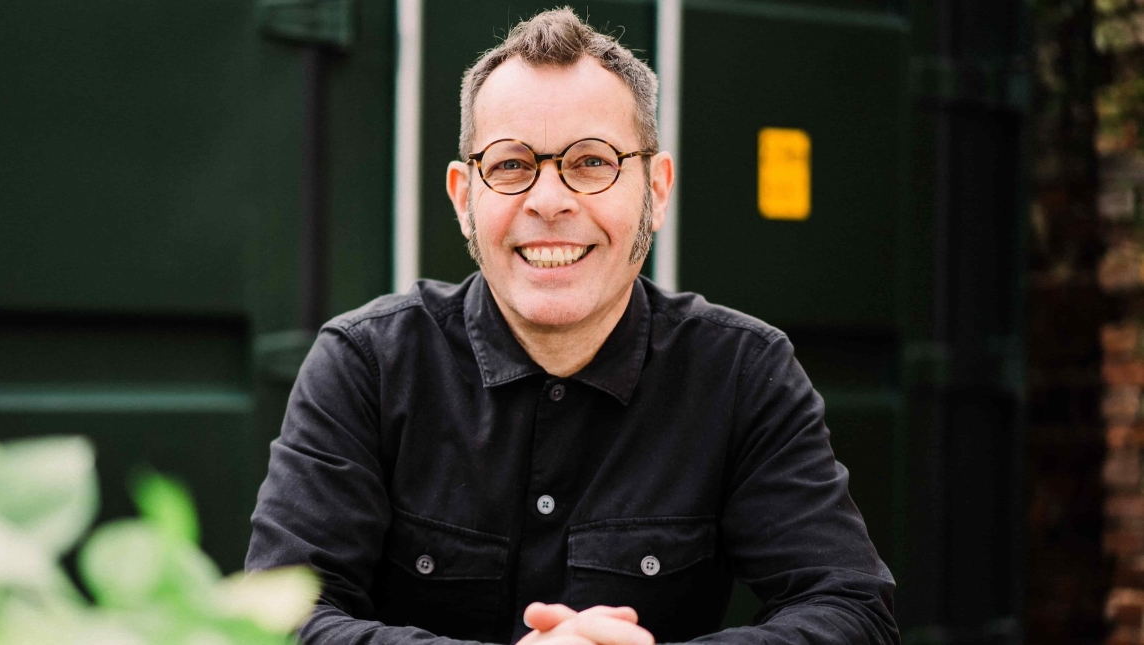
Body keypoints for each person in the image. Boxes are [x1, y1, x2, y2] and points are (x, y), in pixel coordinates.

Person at [247, 8, 898, 645]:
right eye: (509, 164)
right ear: (463, 199)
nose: (549, 199)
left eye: (591, 162)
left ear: (658, 188)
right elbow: (276, 619)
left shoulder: (742, 373)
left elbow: (850, 609)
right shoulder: (364, 366)